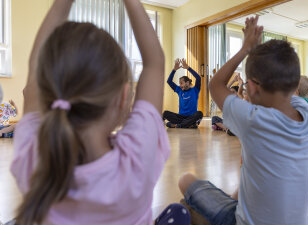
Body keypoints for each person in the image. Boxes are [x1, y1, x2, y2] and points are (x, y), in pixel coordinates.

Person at [10, 0, 190, 225]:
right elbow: (155, 62)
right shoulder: (136, 159)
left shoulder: (32, 158)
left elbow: (36, 64)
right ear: (125, 96)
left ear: (41, 93)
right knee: (179, 213)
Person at [179, 16, 308, 225]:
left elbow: (215, 85)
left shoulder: (254, 120)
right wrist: (258, 55)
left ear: (251, 88)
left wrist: (246, 49)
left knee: (185, 180)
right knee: (242, 187)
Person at [163, 58, 203, 128]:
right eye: (179, 83)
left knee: (200, 114)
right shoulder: (179, 90)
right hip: (180, 117)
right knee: (165, 113)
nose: (180, 85)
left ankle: (178, 125)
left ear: (187, 82)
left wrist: (188, 68)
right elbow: (169, 81)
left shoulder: (195, 90)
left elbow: (198, 78)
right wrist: (174, 70)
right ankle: (188, 125)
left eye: (181, 83)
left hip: (191, 116)